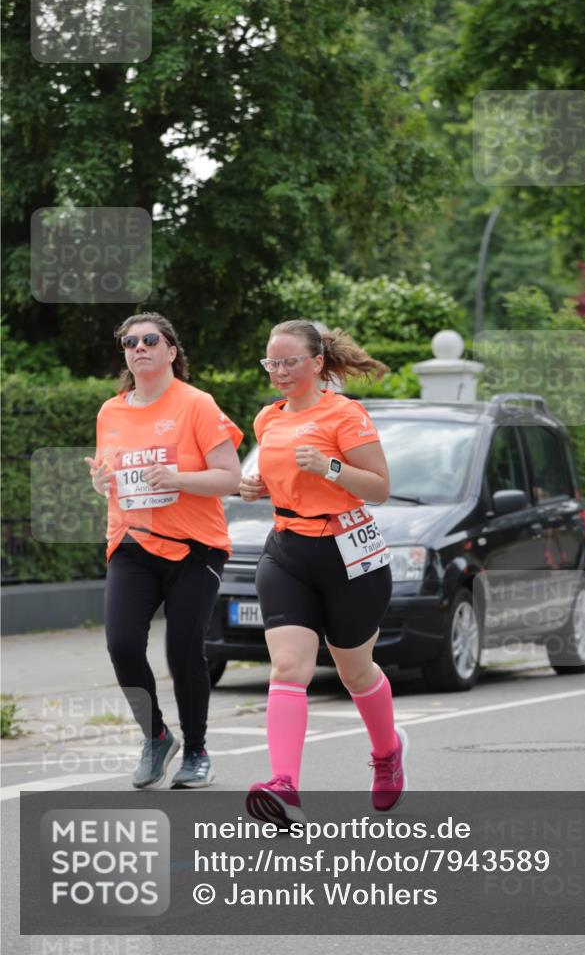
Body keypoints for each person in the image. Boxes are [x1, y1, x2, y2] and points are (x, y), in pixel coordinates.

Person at [239, 319, 407, 825]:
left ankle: (387, 753)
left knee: (355, 671)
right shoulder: (267, 419)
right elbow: (282, 480)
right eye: (272, 362)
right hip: (287, 552)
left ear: (316, 363)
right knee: (289, 668)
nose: (279, 371)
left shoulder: (345, 414)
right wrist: (256, 488)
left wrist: (330, 467)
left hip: (347, 555)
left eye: (290, 361)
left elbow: (379, 487)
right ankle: (284, 785)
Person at [85, 312, 242, 789]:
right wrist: (100, 483)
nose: (139, 347)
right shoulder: (111, 412)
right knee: (122, 645)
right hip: (132, 543)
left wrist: (178, 479)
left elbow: (230, 477)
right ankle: (156, 736)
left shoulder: (196, 404)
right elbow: (111, 481)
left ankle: (196, 750)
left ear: (171, 350)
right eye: (129, 342)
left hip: (195, 548)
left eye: (150, 339)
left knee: (183, 649)